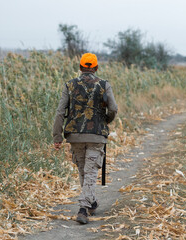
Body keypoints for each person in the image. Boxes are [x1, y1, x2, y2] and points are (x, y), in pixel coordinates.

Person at [53, 53, 118, 224]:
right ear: (96, 68)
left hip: (75, 136)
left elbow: (60, 112)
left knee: (84, 170)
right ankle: (83, 208)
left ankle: (91, 202)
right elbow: (113, 108)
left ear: (80, 68)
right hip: (97, 135)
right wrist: (106, 121)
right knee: (89, 172)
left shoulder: (69, 85)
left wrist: (57, 136)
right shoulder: (104, 85)